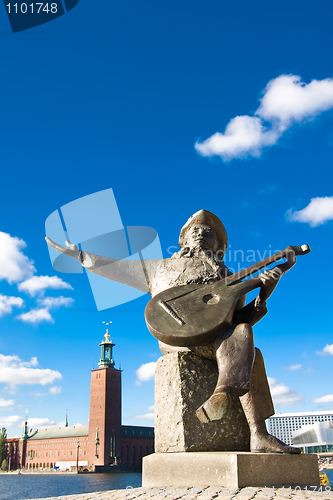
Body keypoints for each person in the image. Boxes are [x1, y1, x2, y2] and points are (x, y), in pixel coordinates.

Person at [46, 209, 300, 454]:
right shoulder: (159, 268)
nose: (201, 234)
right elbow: (115, 266)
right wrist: (79, 255)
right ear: (183, 239)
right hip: (177, 337)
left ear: (217, 246)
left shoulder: (228, 276)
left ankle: (255, 431)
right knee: (247, 352)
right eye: (195, 230)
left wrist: (265, 292)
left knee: (247, 343)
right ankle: (242, 413)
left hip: (217, 339)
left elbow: (238, 321)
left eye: (209, 233)